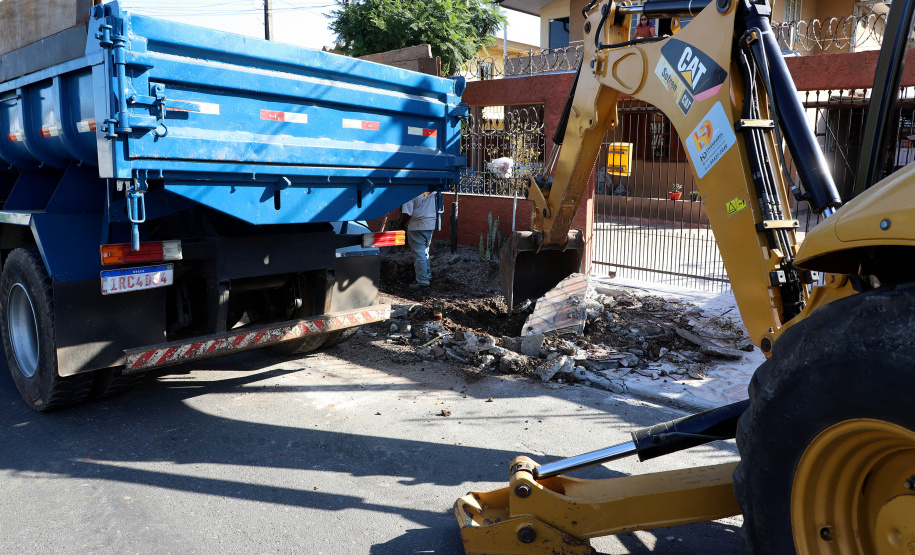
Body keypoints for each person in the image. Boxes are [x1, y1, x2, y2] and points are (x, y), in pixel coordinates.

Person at [400, 192, 437, 290]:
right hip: (430, 224)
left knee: (419, 255)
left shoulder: (411, 192)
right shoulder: (432, 190)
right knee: (425, 252)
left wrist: (401, 224)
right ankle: (427, 276)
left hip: (417, 225)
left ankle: (422, 282)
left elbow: (407, 213)